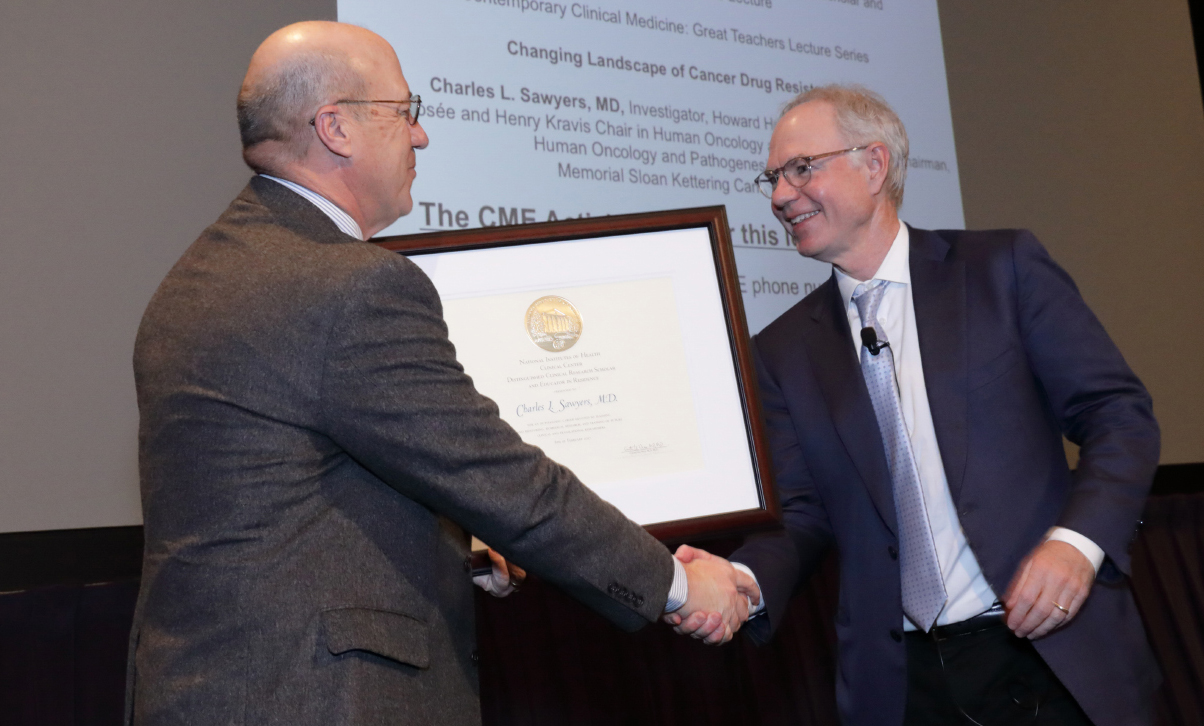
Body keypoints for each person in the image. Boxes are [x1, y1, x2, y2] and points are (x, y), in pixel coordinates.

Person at [128, 21, 753, 726]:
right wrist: (676, 585)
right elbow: (501, 477)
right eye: (404, 113)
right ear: (335, 127)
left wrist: (453, 543)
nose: (420, 137)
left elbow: (283, 493)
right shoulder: (347, 285)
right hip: (317, 698)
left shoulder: (199, 274)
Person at [668, 85, 1159, 725]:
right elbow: (802, 512)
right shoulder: (782, 351)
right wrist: (743, 582)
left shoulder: (1000, 269)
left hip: (1049, 656)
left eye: (800, 169)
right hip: (904, 687)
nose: (780, 196)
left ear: (874, 165)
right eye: (773, 178)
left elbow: (1118, 414)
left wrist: (1076, 544)